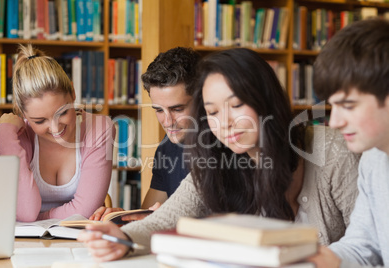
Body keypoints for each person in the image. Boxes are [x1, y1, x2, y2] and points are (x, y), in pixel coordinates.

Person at [78, 48, 360, 262]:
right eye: (212, 112)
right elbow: (166, 219)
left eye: (236, 105)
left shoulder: (330, 150)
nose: (223, 123)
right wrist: (122, 237)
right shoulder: (214, 156)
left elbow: (370, 243)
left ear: (266, 99)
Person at [0, 44, 115, 222]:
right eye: (40, 121)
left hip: (76, 239)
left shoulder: (100, 128)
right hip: (23, 243)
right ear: (22, 113)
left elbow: (82, 212)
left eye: (63, 113)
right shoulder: (15, 137)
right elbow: (25, 211)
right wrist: (3, 135)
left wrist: (36, 219)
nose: (55, 128)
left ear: (73, 93)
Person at [307, 19, 389, 268]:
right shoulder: (373, 159)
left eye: (349, 106)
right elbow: (363, 247)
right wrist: (311, 260)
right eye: (333, 106)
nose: (335, 122)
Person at [89, 47, 201, 221]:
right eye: (159, 110)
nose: (168, 121)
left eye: (177, 109)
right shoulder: (167, 146)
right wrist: (121, 218)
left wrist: (167, 218)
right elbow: (148, 216)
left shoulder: (225, 145)